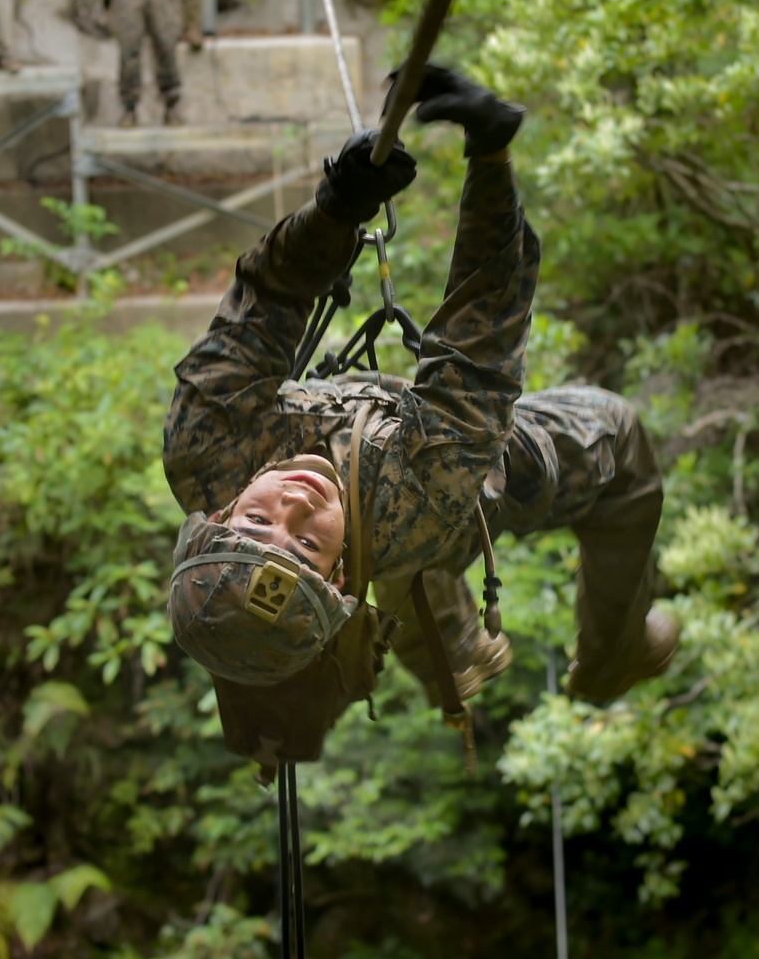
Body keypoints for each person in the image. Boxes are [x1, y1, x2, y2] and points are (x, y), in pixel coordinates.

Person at [163, 66, 680, 764]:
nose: (295, 500)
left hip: (383, 459)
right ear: (338, 576)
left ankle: (447, 639)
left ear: (222, 513)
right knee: (617, 436)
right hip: (462, 484)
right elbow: (480, 335)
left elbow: (266, 301)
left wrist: (335, 211)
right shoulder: (419, 500)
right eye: (306, 543)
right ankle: (613, 655)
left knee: (402, 555)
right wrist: (490, 158)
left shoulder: (205, 447)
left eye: (259, 520)